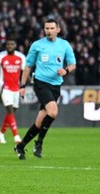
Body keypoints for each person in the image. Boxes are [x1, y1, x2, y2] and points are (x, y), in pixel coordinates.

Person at [14, 18, 76, 160]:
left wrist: (66, 70)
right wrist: (22, 86)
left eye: (51, 28)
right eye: (46, 28)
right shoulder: (37, 45)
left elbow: (73, 64)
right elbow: (28, 66)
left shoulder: (64, 45)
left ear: (58, 29)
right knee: (53, 112)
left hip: (56, 85)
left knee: (39, 122)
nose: (49, 31)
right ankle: (39, 143)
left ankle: (20, 146)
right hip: (41, 83)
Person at [0, 39, 26, 144]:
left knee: (12, 112)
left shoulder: (21, 57)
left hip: (16, 88)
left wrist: (24, 86)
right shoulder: (0, 57)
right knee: (10, 111)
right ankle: (16, 136)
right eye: (8, 44)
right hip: (5, 87)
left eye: (12, 44)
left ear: (15, 45)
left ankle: (1, 133)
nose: (10, 46)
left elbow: (25, 73)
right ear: (5, 46)